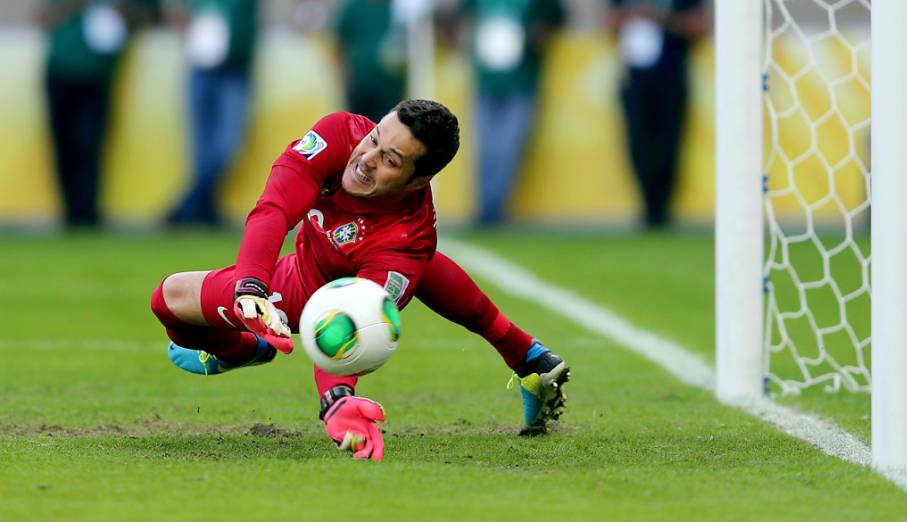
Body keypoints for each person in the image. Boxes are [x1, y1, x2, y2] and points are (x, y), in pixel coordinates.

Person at [150, 100, 570, 461]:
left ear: (419, 181)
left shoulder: (405, 243)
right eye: (375, 138)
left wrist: (336, 399)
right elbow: (275, 207)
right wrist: (252, 289)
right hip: (295, 273)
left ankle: (527, 357)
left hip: (320, 294)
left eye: (390, 160)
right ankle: (247, 349)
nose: (366, 158)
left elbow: (352, 323)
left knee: (418, 265)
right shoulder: (339, 132)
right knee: (167, 299)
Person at [40, 0, 159, 227]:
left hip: (97, 76)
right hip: (60, 70)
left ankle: (87, 213)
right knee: (63, 146)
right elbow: (44, 17)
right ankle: (70, 213)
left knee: (88, 144)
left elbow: (150, 16)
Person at [458, 0, 565, 226]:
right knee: (484, 148)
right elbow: (460, 16)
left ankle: (494, 209)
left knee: (508, 148)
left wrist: (538, 35)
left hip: (522, 82)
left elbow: (556, 18)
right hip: (486, 81)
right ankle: (486, 208)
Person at [608, 0, 709, 228]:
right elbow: (608, 24)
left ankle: (662, 211)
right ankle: (648, 208)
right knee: (637, 143)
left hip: (672, 78)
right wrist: (633, 16)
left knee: (669, 145)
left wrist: (660, 17)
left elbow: (699, 27)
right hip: (635, 80)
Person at [167, 0, 258, 226]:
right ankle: (205, 209)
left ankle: (185, 208)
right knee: (202, 149)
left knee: (224, 148)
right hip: (202, 68)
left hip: (234, 70)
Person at [333, 0, 406, 121]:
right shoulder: (355, 7)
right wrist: (343, 79)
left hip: (392, 89)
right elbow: (339, 45)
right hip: (360, 87)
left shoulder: (402, 7)